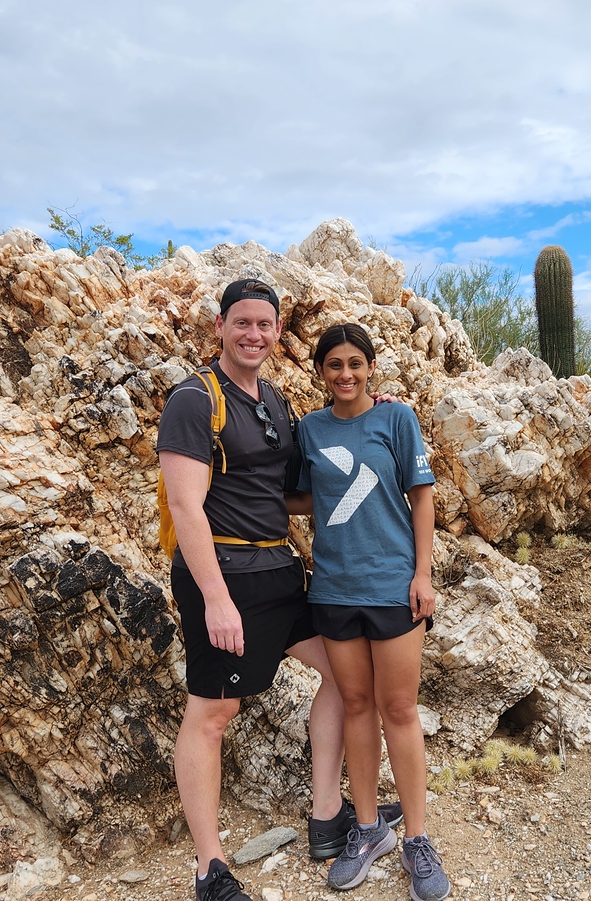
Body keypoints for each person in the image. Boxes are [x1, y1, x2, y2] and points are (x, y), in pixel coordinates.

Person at [157, 281, 397, 901]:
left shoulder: (273, 399)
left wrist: (373, 417)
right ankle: (210, 869)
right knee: (212, 713)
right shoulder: (192, 399)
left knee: (350, 680)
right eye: (242, 322)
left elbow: (292, 488)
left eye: (264, 324)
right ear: (220, 326)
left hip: (281, 571)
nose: (253, 334)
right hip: (225, 575)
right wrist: (214, 597)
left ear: (276, 330)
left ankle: (325, 817)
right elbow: (185, 504)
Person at [296, 322, 452, 900]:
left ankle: (416, 839)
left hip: (393, 588)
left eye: (355, 363)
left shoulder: (396, 419)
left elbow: (422, 495)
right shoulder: (308, 430)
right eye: (334, 364)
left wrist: (423, 573)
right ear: (321, 370)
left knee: (400, 709)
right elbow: (297, 493)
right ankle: (367, 830)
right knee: (355, 703)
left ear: (371, 367)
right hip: (334, 590)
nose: (345, 374)